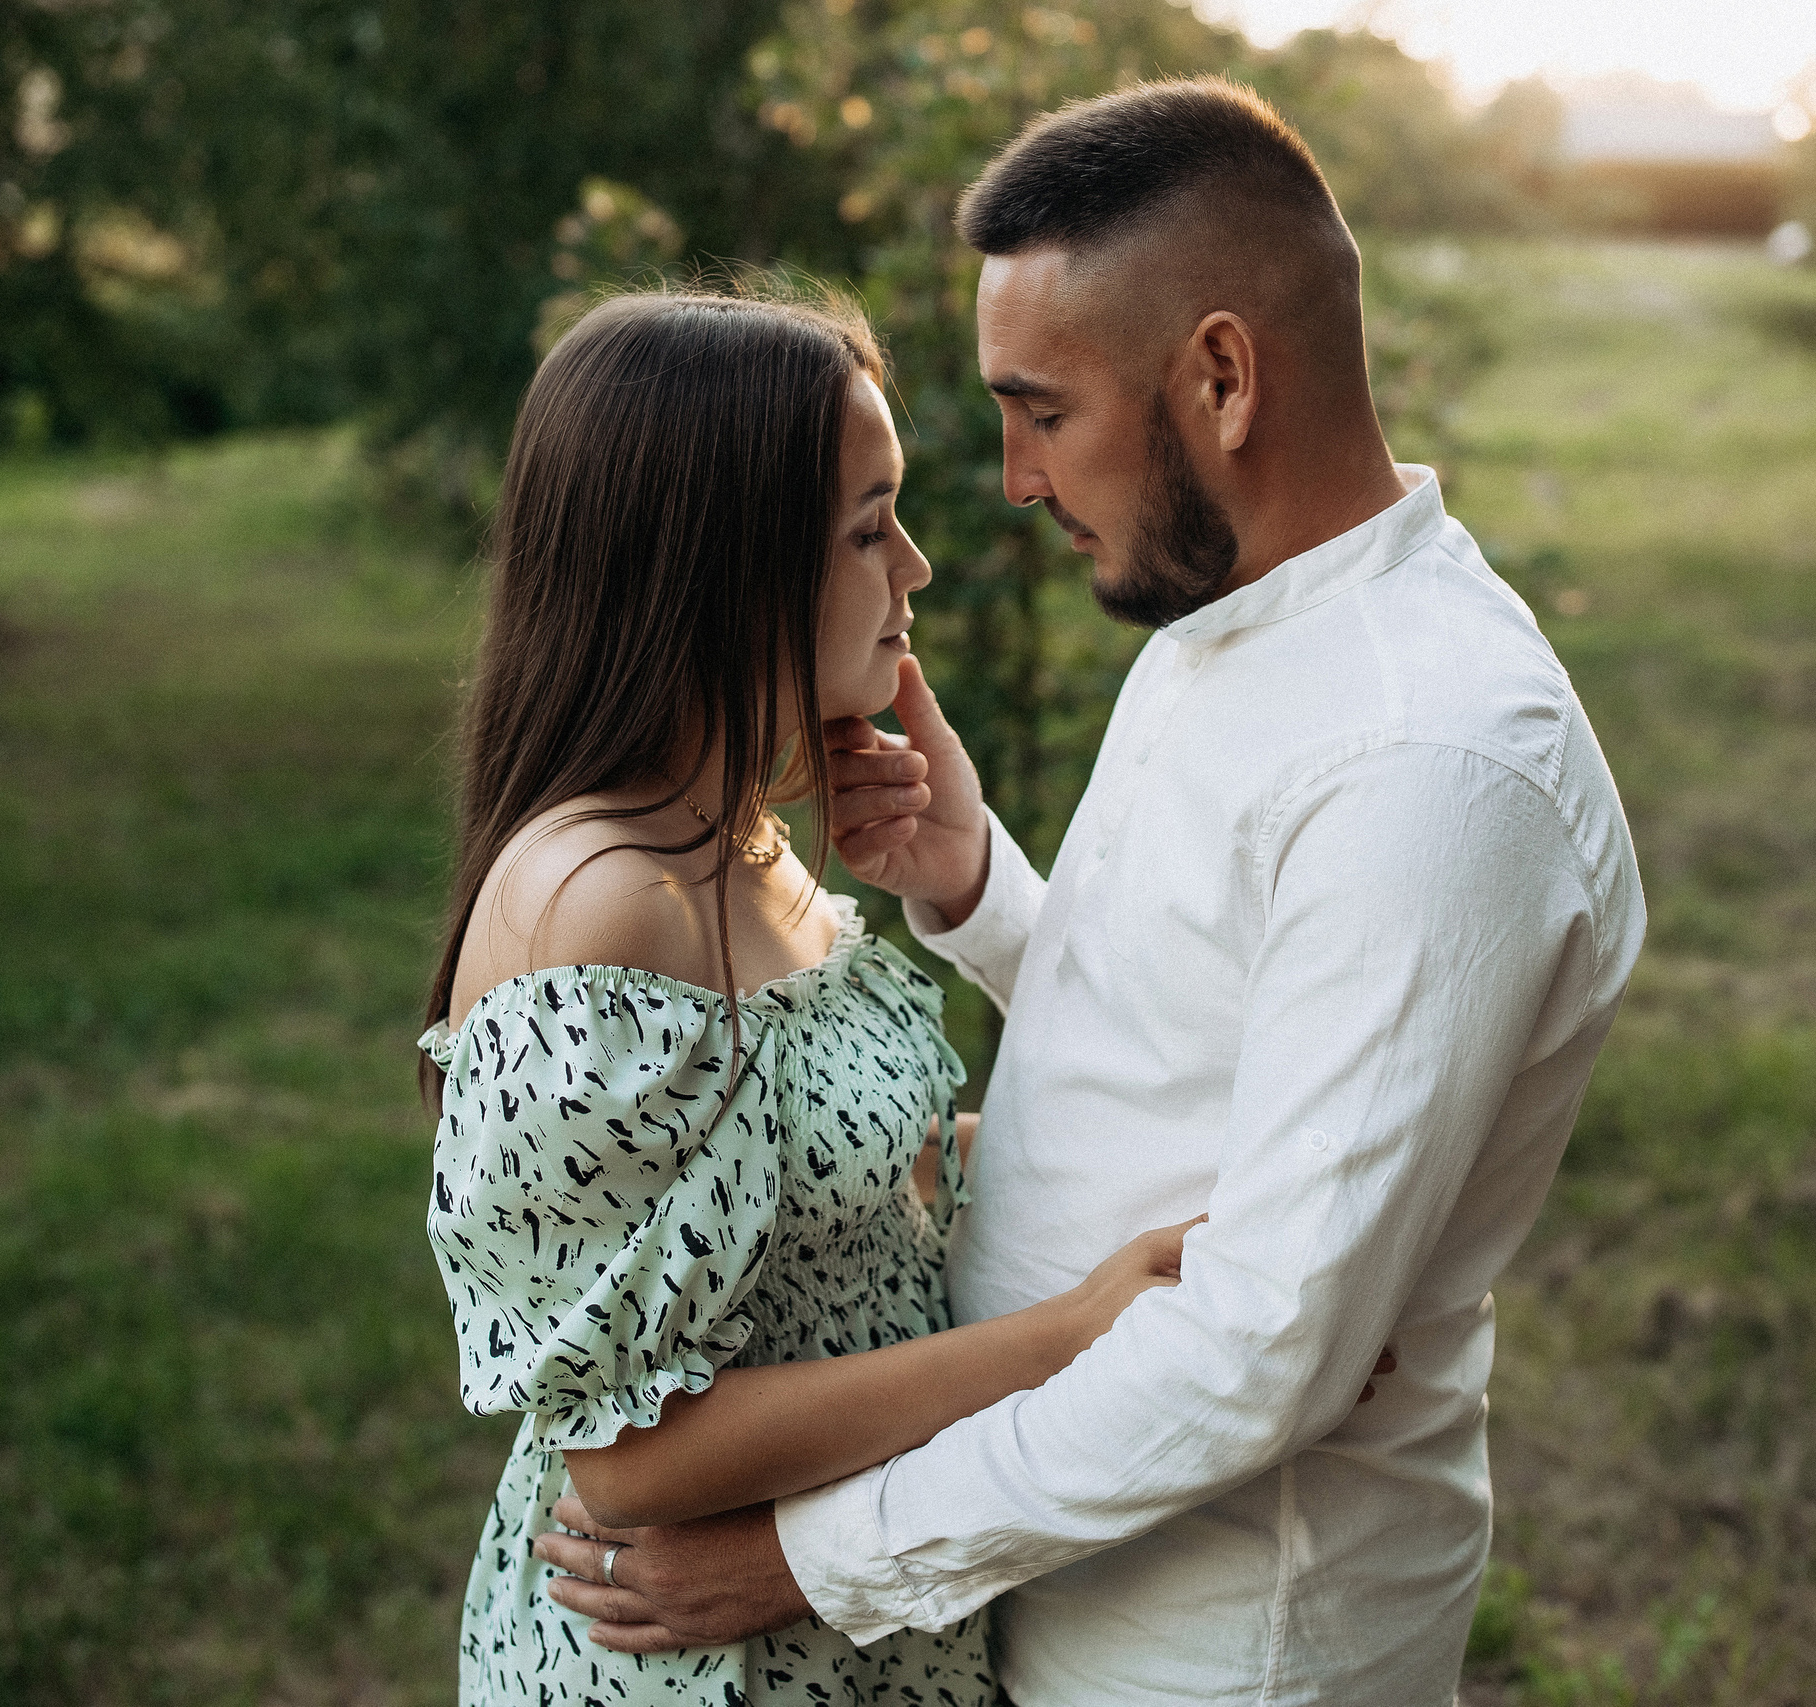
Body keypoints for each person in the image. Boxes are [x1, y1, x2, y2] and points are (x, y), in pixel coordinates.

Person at [530, 78, 1648, 1703]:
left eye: (1041, 410)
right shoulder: (1240, 614)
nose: (1012, 481)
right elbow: (1192, 1037)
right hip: (1034, 1572)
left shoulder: (1430, 762)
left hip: (1210, 1640)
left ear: (1219, 375)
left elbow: (1260, 1353)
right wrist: (977, 887)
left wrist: (802, 1560)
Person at [416, 285, 1203, 1707]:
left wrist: (954, 878)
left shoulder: (748, 834)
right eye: (866, 527)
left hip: (857, 1629)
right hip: (704, 1674)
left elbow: (839, 1209)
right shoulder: (606, 905)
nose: (914, 565)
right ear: (725, 569)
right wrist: (1058, 1337)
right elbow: (632, 1451)